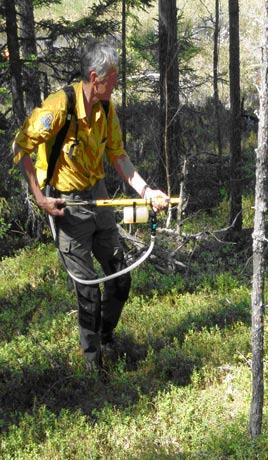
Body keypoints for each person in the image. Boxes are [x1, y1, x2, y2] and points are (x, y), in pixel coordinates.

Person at [12, 39, 169, 372]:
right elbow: (21, 146)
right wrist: (40, 198)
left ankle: (107, 338)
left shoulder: (106, 108)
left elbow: (118, 155)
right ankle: (92, 367)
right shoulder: (58, 106)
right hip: (67, 206)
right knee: (87, 293)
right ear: (95, 76)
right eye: (112, 78)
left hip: (98, 200)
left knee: (120, 278)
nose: (116, 83)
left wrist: (146, 190)